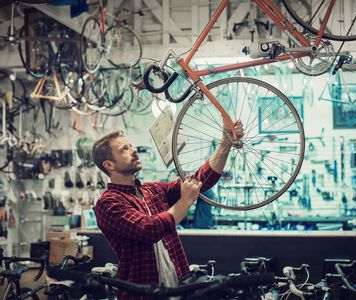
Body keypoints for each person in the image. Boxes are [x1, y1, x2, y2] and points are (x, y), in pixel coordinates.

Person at [91, 120, 243, 300]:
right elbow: (149, 229)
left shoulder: (152, 190)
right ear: (109, 165)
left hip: (179, 288)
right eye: (124, 149)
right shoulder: (107, 203)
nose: (133, 150)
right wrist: (186, 201)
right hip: (142, 293)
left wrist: (225, 142)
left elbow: (200, 180)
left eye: (131, 146)